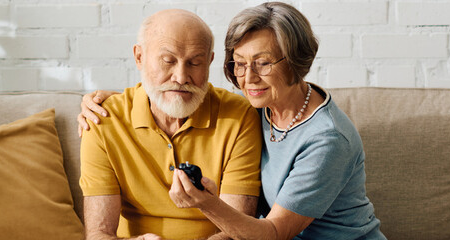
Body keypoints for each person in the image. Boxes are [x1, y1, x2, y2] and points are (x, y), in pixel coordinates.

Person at [79, 2, 386, 239]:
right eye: (240, 64)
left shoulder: (326, 139)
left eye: (263, 63)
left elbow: (274, 233)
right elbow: (172, 92)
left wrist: (206, 202)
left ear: (295, 60)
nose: (249, 79)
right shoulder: (260, 106)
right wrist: (116, 102)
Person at [78, 9, 263, 240]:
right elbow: (99, 234)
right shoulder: (102, 119)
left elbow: (237, 231)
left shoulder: (239, 117)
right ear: (139, 57)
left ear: (209, 62)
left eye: (195, 63)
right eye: (168, 61)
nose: (181, 76)